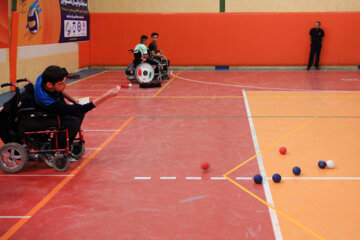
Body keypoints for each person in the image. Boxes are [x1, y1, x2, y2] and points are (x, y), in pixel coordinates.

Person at [34, 65, 120, 162]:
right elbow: (84, 108)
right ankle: (56, 150)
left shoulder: (43, 78)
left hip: (56, 107)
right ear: (49, 84)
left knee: (78, 114)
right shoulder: (48, 101)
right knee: (73, 121)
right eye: (61, 83)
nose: (65, 86)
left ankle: (66, 143)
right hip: (47, 114)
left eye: (65, 82)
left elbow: (59, 91)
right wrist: (107, 95)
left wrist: (73, 100)